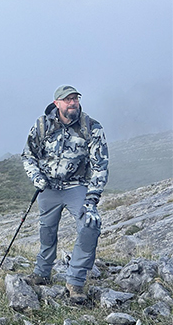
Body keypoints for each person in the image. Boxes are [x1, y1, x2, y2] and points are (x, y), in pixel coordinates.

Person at [21, 85, 109, 304]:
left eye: (75, 99)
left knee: (90, 224)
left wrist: (92, 198)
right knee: (47, 231)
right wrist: (37, 178)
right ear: (57, 103)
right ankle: (42, 273)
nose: (72, 103)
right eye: (67, 100)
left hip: (76, 187)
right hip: (48, 188)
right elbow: (28, 155)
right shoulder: (42, 125)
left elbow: (101, 166)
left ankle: (76, 283)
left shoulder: (92, 127)